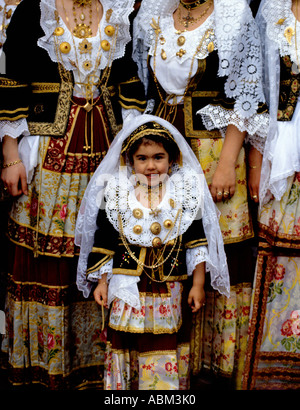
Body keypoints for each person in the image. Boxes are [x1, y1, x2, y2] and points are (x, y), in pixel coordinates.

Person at [0, 0, 146, 390]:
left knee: (100, 244)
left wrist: (134, 143)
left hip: (106, 150)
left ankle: (94, 366)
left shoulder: (118, 11)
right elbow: (12, 81)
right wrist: (10, 151)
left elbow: (128, 83)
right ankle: (45, 364)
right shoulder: (34, 10)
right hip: (48, 152)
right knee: (48, 251)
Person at [132, 0, 269, 389]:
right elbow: (141, 88)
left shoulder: (233, 13)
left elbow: (245, 94)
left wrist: (228, 163)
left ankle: (214, 367)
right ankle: (167, 369)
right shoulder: (153, 13)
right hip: (163, 155)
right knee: (166, 250)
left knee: (215, 248)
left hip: (211, 153)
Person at [75, 114, 230, 390]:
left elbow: (196, 241)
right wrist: (101, 281)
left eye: (158, 157)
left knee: (164, 341)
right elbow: (104, 240)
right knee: (126, 340)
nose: (150, 166)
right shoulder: (117, 193)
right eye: (142, 158)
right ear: (130, 161)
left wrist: (197, 284)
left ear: (172, 160)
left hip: (168, 287)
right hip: (126, 286)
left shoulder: (184, 193)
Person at [243, 0, 300, 390]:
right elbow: (258, 89)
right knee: (281, 257)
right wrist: (255, 159)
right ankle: (275, 374)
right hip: (285, 157)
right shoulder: (273, 10)